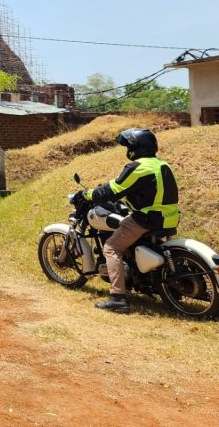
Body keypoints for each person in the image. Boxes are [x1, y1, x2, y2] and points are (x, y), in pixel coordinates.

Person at [84, 128, 180, 313]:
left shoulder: (137, 167)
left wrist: (89, 194)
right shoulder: (162, 165)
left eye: (128, 146)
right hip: (169, 218)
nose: (127, 149)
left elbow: (114, 189)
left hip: (147, 219)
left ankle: (118, 298)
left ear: (136, 148)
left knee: (111, 247)